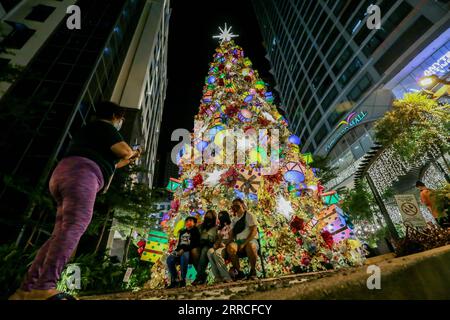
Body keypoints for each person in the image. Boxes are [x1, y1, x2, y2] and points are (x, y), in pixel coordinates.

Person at [9, 101, 140, 300]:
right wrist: (131, 152)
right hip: (82, 175)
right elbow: (123, 151)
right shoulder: (105, 127)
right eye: (121, 119)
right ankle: (44, 287)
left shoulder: (91, 133)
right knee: (74, 226)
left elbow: (114, 163)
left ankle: (25, 290)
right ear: (115, 116)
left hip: (66, 173)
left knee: (59, 233)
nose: (121, 122)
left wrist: (126, 160)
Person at [226, 198, 259, 281]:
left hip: (250, 240)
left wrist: (244, 243)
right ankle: (240, 272)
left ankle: (253, 271)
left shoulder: (249, 215)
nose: (235, 206)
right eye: (233, 205)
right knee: (230, 247)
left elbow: (254, 231)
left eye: (237, 204)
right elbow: (231, 235)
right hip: (238, 242)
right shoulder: (234, 220)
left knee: (251, 246)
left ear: (242, 205)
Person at [166, 216, 200, 288]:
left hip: (189, 252)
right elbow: (179, 245)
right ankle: (175, 280)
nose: (188, 222)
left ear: (194, 223)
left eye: (190, 221)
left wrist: (183, 250)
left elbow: (194, 244)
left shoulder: (195, 231)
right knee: (169, 259)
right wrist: (176, 251)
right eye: (187, 221)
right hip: (179, 250)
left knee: (184, 256)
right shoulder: (182, 232)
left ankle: (183, 279)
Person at [192, 210, 218, 286]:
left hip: (210, 245)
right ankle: (202, 274)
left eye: (210, 216)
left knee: (204, 251)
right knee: (194, 251)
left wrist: (207, 238)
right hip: (200, 245)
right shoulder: (200, 226)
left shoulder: (215, 228)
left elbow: (215, 239)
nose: (208, 217)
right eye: (207, 216)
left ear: (213, 218)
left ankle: (199, 277)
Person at [207, 211, 233, 283]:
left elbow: (231, 237)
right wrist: (217, 243)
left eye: (222, 216)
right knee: (210, 252)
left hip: (227, 244)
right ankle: (217, 277)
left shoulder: (230, 225)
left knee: (217, 253)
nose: (220, 218)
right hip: (219, 244)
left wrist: (225, 243)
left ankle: (226, 277)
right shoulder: (219, 228)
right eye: (219, 216)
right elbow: (218, 239)